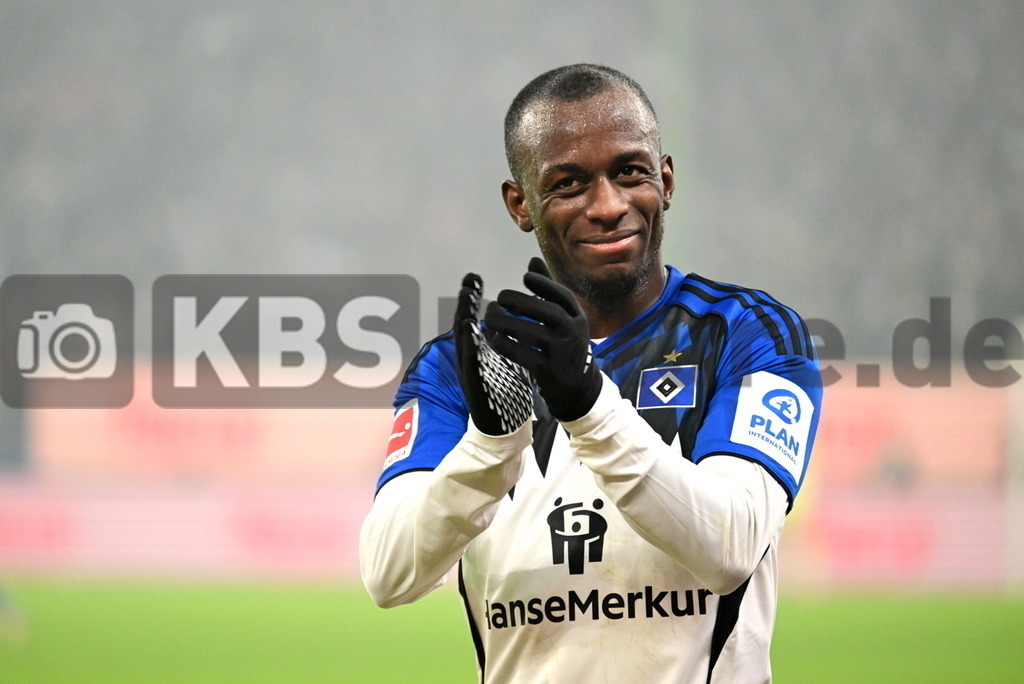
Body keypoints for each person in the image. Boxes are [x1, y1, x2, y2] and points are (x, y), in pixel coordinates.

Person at [360, 63, 822, 684]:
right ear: (520, 204)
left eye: (630, 172)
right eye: (569, 183)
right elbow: (389, 574)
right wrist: (490, 446)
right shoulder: (456, 368)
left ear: (665, 180)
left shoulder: (746, 333)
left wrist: (587, 404)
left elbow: (731, 547)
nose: (608, 206)